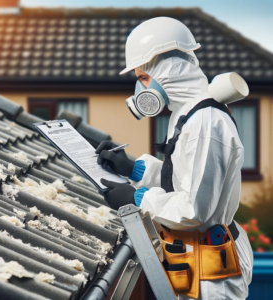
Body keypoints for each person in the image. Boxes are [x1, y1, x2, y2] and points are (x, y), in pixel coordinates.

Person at [96, 17, 253, 300]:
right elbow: (183, 177)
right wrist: (134, 168)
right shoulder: (187, 112)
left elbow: (194, 209)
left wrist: (138, 199)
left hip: (211, 271)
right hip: (195, 258)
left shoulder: (205, 123)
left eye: (144, 78)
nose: (141, 90)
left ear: (168, 70)